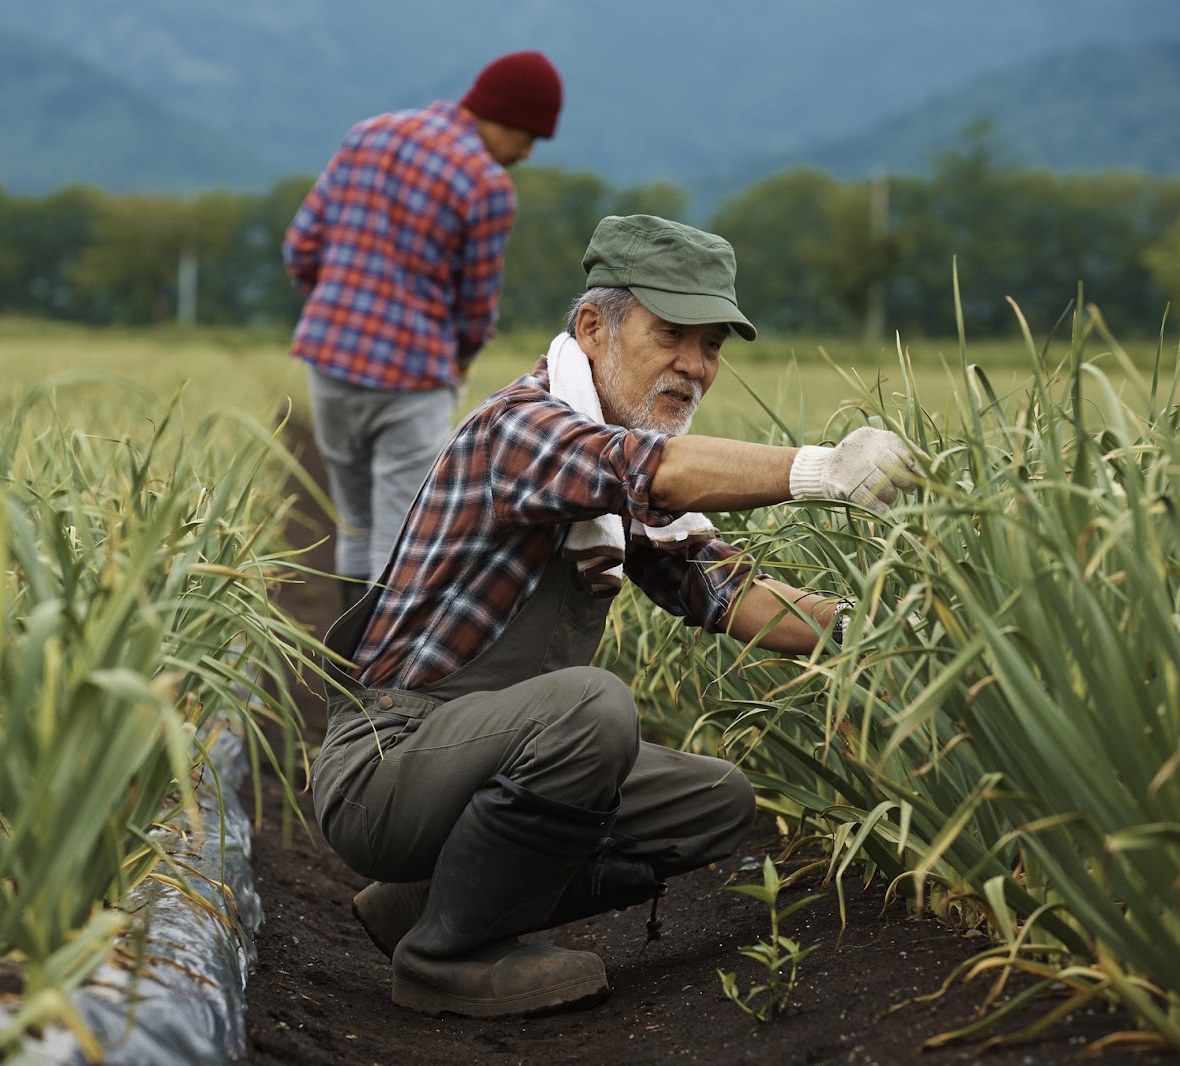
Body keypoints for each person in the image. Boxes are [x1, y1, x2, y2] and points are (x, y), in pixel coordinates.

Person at [309, 214, 920, 1019]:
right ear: (594, 327)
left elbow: (725, 590)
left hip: (481, 757)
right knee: (593, 707)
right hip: (387, 764)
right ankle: (447, 957)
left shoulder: (619, 461)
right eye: (673, 334)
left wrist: (884, 627)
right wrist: (822, 470)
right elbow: (640, 472)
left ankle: (431, 906)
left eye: (713, 347)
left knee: (716, 805)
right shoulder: (520, 429)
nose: (695, 367)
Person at [283, 50, 564, 603]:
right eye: (529, 137)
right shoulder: (486, 184)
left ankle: (337, 671)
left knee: (356, 522)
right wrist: (460, 361)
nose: (527, 154)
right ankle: (368, 681)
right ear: (504, 119)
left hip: (331, 363)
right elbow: (476, 305)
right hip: (413, 376)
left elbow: (301, 247)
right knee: (401, 533)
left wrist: (340, 306)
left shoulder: (368, 135)